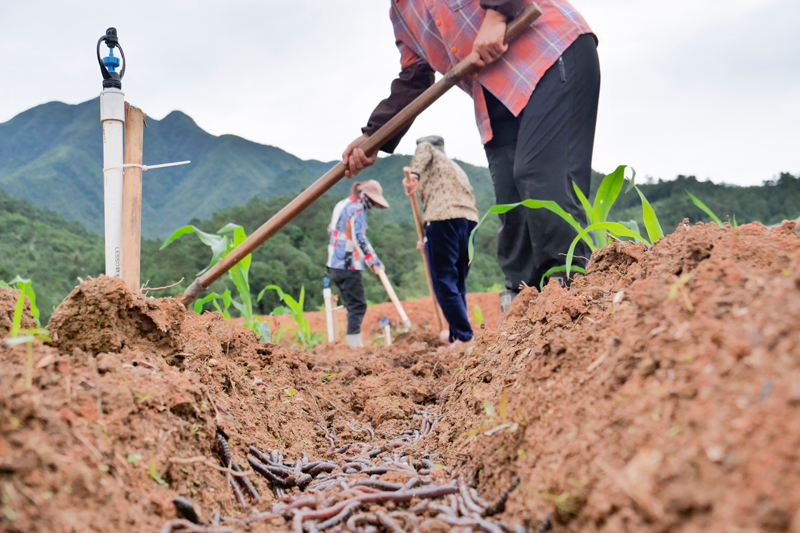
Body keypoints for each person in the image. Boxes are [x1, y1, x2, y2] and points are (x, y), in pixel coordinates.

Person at [341, 0, 600, 312]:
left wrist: (497, 12)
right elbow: (415, 76)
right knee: (512, 200)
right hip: (495, 92)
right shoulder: (401, 14)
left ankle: (574, 297)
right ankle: (525, 311)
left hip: (548, 51)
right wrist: (373, 135)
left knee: (539, 176)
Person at [404, 135, 479, 345]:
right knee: (457, 283)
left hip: (443, 219)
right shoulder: (455, 168)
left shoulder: (429, 154)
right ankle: (457, 334)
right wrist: (426, 237)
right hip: (470, 222)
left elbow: (425, 148)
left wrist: (414, 175)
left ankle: (464, 337)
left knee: (444, 281)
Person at [327, 180, 389, 347]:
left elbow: (330, 229)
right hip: (348, 265)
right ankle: (354, 345)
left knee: (351, 303)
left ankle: (349, 342)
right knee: (358, 305)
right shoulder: (358, 209)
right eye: (373, 201)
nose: (372, 205)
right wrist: (373, 261)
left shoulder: (342, 204)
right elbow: (359, 238)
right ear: (365, 196)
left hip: (333, 263)